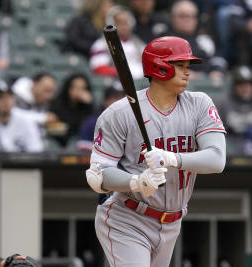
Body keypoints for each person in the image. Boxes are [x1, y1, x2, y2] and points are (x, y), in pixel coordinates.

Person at [85, 36, 226, 267]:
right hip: (127, 218)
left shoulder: (200, 104)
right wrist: (137, 182)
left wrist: (172, 158)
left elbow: (216, 160)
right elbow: (98, 176)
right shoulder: (120, 113)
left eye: (187, 66)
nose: (187, 72)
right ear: (159, 67)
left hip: (173, 221)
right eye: (179, 65)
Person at [165, 0, 227, 80]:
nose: (187, 20)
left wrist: (217, 70)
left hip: (206, 81)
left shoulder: (205, 39)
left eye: (191, 16)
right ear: (173, 18)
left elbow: (218, 58)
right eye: (182, 16)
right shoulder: (165, 40)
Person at [90, 5, 145, 79]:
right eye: (119, 22)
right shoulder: (101, 44)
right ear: (110, 23)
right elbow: (98, 68)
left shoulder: (138, 43)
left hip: (143, 82)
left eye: (126, 22)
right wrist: (122, 74)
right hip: (118, 83)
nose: (124, 26)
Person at [215, 65, 252, 137]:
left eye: (250, 85)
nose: (246, 88)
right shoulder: (223, 103)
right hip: (230, 143)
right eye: (241, 84)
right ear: (234, 86)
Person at [49, 73, 94, 147]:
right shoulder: (56, 104)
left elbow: (90, 126)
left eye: (82, 88)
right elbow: (60, 129)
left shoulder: (87, 106)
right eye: (75, 87)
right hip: (60, 143)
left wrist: (90, 104)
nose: (78, 91)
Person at [77, 82, 125, 152]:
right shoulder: (92, 122)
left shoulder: (133, 121)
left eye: (123, 98)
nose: (119, 102)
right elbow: (83, 148)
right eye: (115, 98)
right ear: (105, 101)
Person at [0, 83, 44, 152]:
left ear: (14, 99)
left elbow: (36, 149)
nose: (6, 101)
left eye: (9, 97)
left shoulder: (25, 120)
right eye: (1, 97)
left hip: (23, 162)